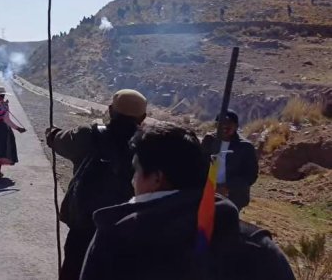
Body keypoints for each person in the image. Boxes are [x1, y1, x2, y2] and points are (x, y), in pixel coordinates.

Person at [80, 124, 295, 280]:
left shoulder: (115, 240)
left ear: (156, 178)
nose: (132, 180)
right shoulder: (257, 246)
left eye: (136, 170)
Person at [45, 89, 147, 280]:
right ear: (143, 117)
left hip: (84, 226)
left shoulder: (87, 135)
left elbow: (57, 141)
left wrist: (52, 133)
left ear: (110, 110)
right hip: (129, 230)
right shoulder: (151, 144)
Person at [200, 110, 258, 211]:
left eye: (228, 125)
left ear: (236, 126)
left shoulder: (245, 147)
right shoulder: (209, 140)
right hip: (208, 191)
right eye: (221, 125)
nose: (224, 128)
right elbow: (200, 163)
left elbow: (250, 175)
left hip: (232, 196)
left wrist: (227, 187)